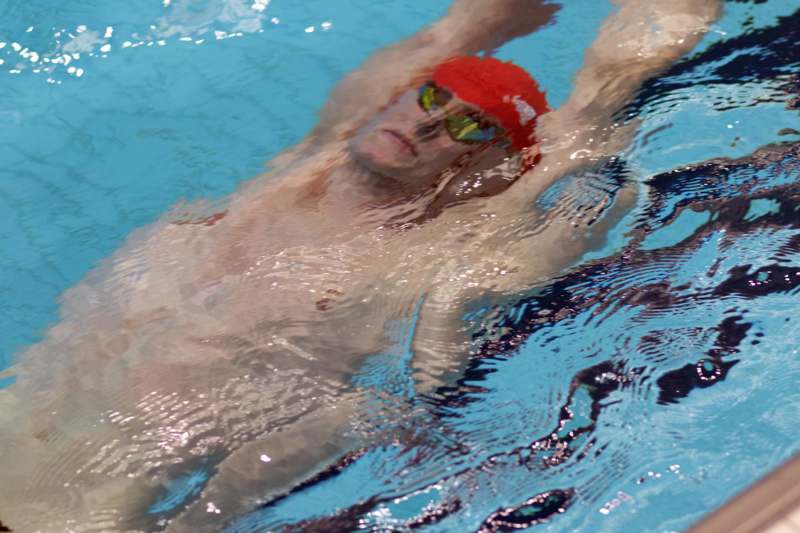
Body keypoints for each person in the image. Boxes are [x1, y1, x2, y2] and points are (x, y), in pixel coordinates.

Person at [0, 0, 721, 531]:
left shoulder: (436, 238)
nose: (432, 123)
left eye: (473, 126)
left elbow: (604, 94)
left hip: (86, 503)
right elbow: (458, 29)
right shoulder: (299, 168)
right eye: (434, 97)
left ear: (489, 163)